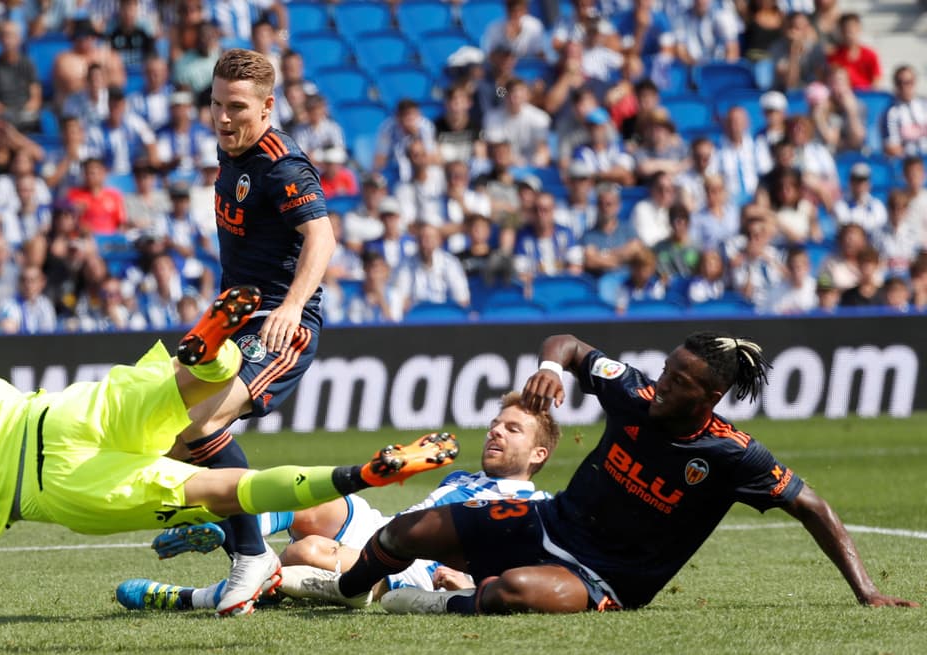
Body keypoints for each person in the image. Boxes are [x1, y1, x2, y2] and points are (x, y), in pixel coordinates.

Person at [0, 289, 459, 603]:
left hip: (52, 488)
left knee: (222, 491)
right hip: (61, 415)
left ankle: (360, 473)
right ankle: (215, 347)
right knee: (186, 391)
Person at [280, 332, 919, 614]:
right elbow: (566, 344)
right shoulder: (633, 394)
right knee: (404, 533)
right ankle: (346, 592)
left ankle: (429, 605)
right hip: (546, 520)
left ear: (710, 400)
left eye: (681, 383)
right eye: (666, 371)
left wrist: (864, 590)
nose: (662, 387)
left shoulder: (733, 455)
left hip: (605, 575)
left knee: (513, 593)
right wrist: (554, 373)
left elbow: (814, 506)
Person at [161, 48, 336, 617]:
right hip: (231, 322)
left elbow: (322, 238)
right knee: (165, 433)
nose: (222, 117)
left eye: (236, 107)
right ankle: (226, 529)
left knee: (201, 421)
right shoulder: (229, 147)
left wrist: (290, 307)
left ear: (267, 106)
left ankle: (252, 552)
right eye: (215, 105)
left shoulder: (284, 166)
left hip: (280, 327)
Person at [116, 391, 558, 611]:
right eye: (496, 424)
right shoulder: (469, 478)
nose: (496, 431)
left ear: (539, 455)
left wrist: (471, 584)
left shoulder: (537, 506)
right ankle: (229, 529)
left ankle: (188, 597)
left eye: (512, 429)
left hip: (409, 569)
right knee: (317, 503)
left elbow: (538, 568)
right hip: (386, 528)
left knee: (306, 551)